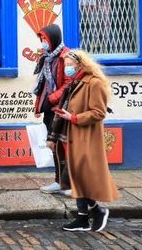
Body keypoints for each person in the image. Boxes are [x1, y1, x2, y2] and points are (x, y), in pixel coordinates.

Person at [54, 50, 119, 232]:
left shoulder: (94, 83)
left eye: (69, 65)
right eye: (65, 65)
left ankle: (97, 210)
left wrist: (73, 117)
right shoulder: (75, 83)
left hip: (86, 137)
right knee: (76, 177)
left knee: (82, 178)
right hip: (73, 136)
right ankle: (83, 218)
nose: (67, 69)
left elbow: (98, 112)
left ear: (80, 65)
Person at [32, 25, 72, 195]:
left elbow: (69, 84)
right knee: (53, 147)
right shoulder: (46, 58)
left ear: (54, 38)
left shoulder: (67, 57)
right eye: (41, 40)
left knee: (65, 147)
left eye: (45, 40)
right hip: (49, 109)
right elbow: (42, 85)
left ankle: (70, 184)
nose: (43, 43)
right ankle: (58, 181)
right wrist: (38, 106)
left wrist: (52, 98)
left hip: (62, 109)